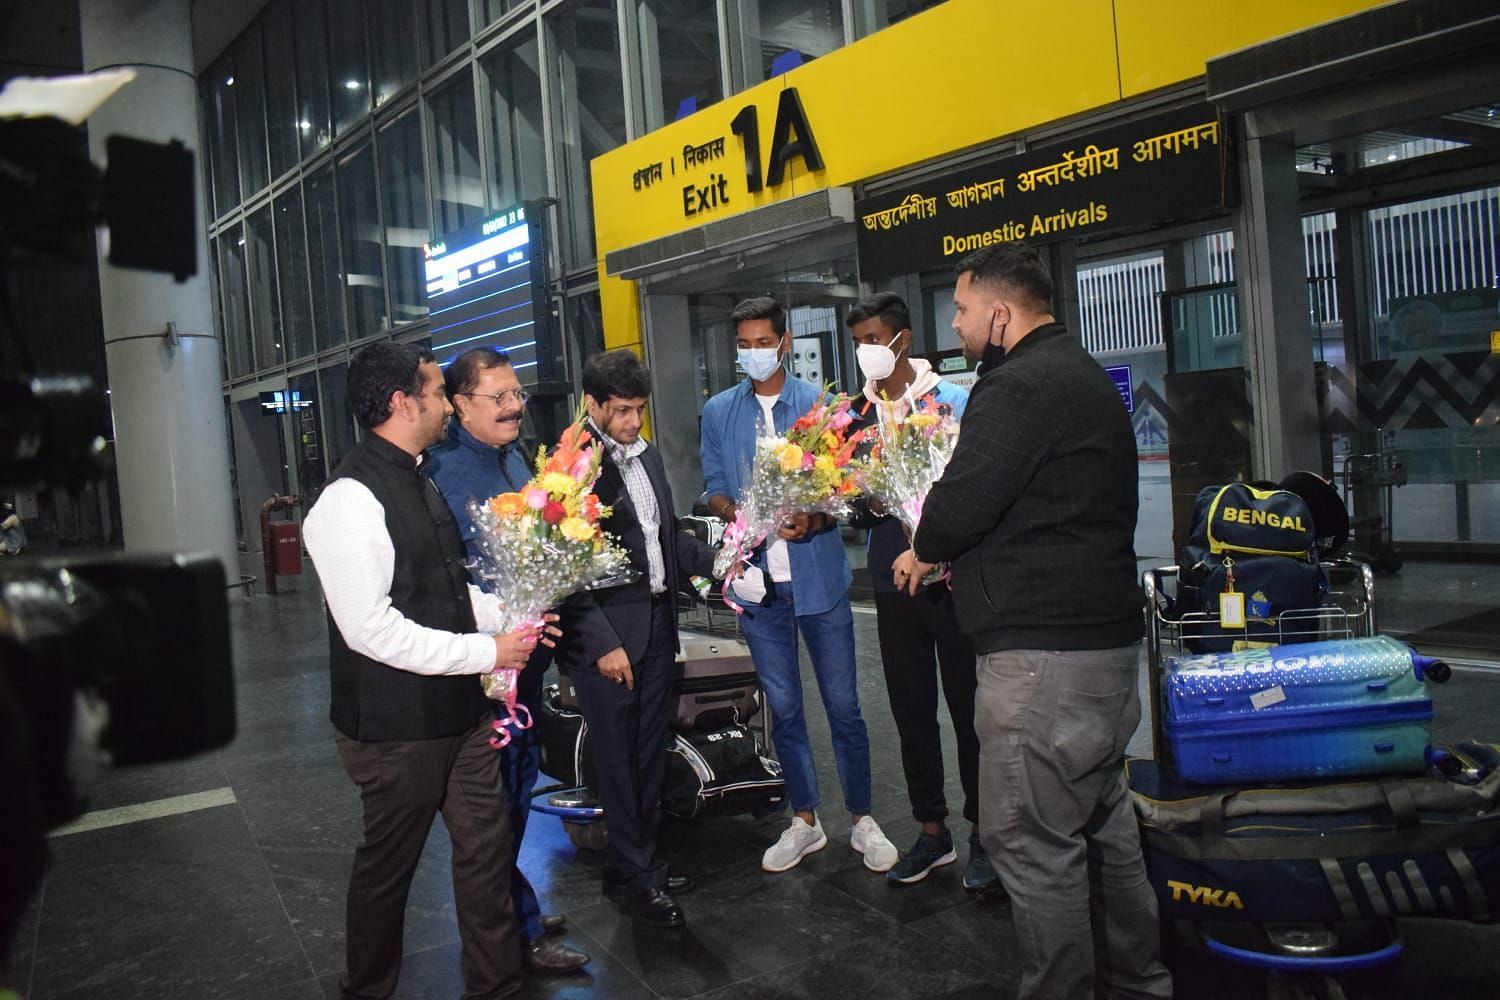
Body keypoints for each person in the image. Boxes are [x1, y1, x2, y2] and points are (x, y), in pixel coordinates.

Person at [893, 244, 1172, 1000]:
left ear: (1001, 313)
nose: (954, 324)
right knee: (1103, 827)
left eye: (960, 309)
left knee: (1031, 844)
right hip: (1105, 654)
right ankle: (1142, 980)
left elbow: (959, 507)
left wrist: (925, 545)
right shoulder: (1081, 372)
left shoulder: (1016, 386)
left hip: (1044, 664)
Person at [303, 341, 554, 1000]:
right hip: (394, 732)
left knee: (485, 857)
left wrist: (508, 616)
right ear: (399, 402)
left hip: (462, 718)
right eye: (439, 391)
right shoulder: (348, 501)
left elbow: (445, 584)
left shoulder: (420, 475)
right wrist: (487, 653)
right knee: (389, 872)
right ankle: (367, 989)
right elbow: (370, 629)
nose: (447, 402)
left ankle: (496, 986)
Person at [700, 295, 897, 875]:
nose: (754, 354)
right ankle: (804, 821)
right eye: (744, 345)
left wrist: (814, 519)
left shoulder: (821, 406)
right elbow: (713, 483)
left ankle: (862, 818)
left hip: (819, 582)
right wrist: (742, 514)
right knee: (783, 708)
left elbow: (846, 492)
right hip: (759, 588)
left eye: (764, 343)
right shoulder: (719, 412)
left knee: (843, 705)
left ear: (784, 343)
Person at [425, 346, 590, 976]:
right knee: (491, 812)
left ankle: (514, 900)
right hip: (479, 671)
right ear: (460, 403)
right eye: (498, 397)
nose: (514, 406)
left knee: (517, 796)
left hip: (526, 664)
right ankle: (514, 928)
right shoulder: (439, 472)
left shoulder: (516, 459)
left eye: (516, 394)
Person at [556, 348, 719, 928]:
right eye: (621, 411)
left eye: (639, 410)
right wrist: (601, 641)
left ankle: (638, 860)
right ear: (593, 404)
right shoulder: (570, 464)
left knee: (649, 751)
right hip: (605, 638)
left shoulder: (644, 457)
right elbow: (561, 566)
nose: (631, 422)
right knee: (619, 759)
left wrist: (716, 561)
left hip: (654, 623)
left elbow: (664, 534)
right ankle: (636, 871)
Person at [843, 293, 997, 891]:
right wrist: (870, 499)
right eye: (858, 341)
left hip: (953, 580)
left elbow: (973, 484)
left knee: (968, 711)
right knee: (910, 710)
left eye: (874, 338)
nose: (866, 352)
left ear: (902, 340)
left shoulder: (952, 402)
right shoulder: (859, 414)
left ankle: (986, 833)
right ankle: (932, 831)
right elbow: (853, 504)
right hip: (892, 580)